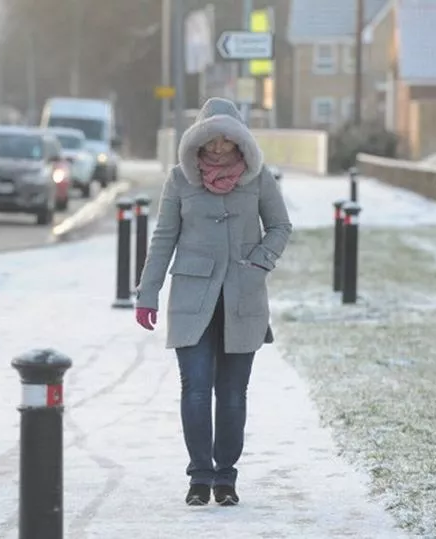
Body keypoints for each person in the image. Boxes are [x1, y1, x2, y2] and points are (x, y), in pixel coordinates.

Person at [134, 97, 292, 506]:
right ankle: (199, 476)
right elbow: (164, 237)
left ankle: (226, 477)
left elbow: (279, 225)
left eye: (227, 141)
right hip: (192, 297)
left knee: (234, 393)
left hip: (243, 298)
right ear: (197, 141)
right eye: (211, 141)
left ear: (239, 141)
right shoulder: (180, 180)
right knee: (196, 389)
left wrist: (259, 262)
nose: (219, 149)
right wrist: (147, 293)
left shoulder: (257, 178)